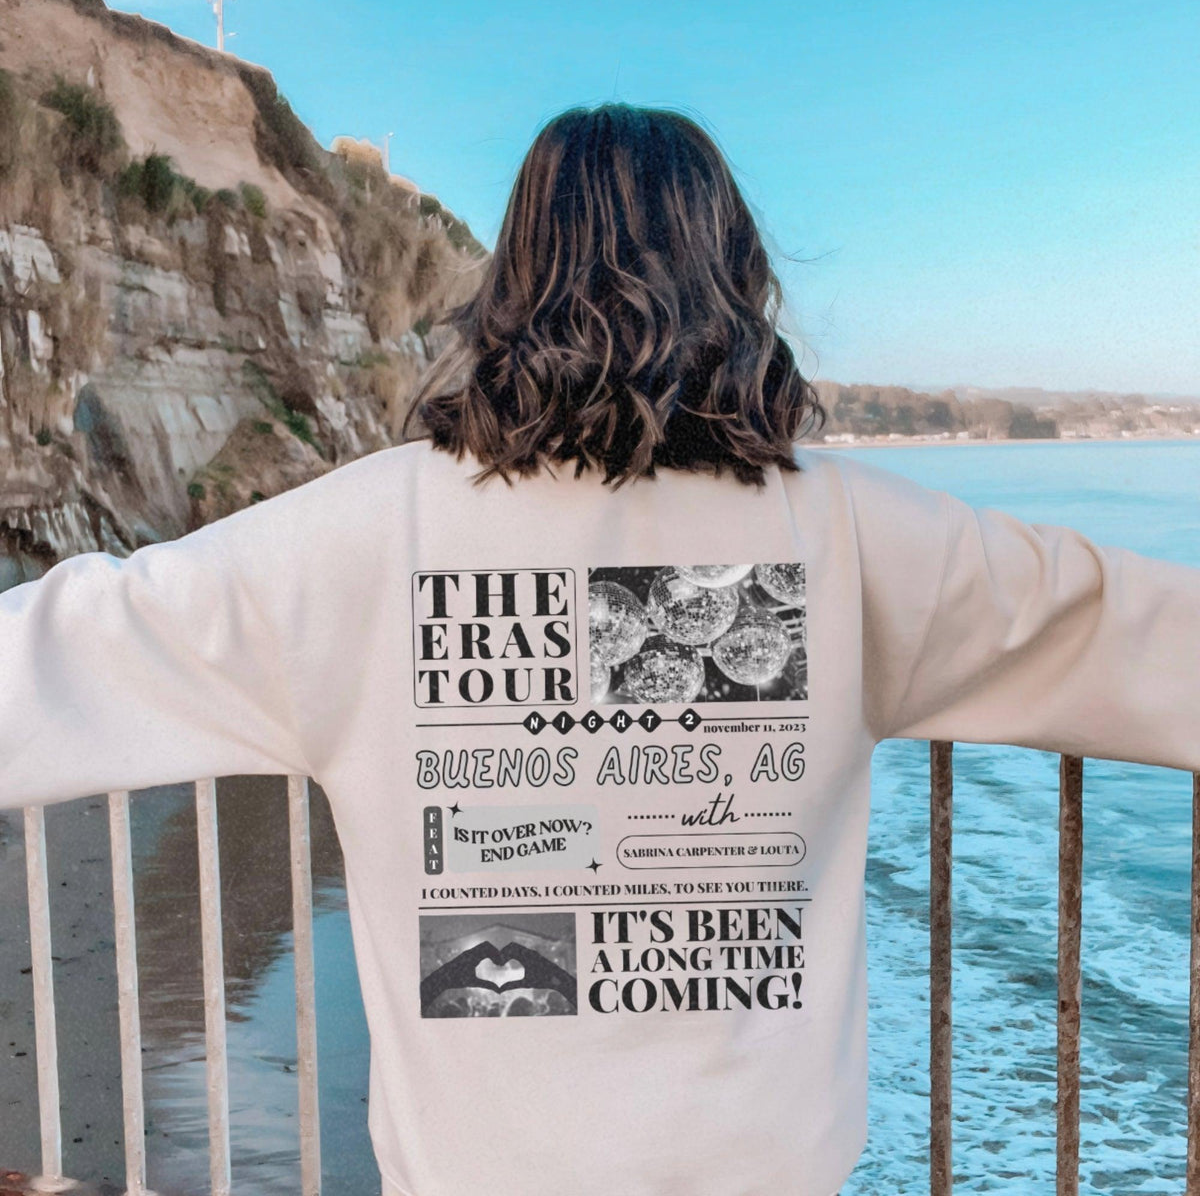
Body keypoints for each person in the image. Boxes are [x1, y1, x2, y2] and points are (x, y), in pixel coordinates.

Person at [1, 101, 1198, 1196]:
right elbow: (1134, 628)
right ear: (736, 280)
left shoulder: (354, 536)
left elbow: (58, 652)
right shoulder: (859, 534)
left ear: (509, 284)